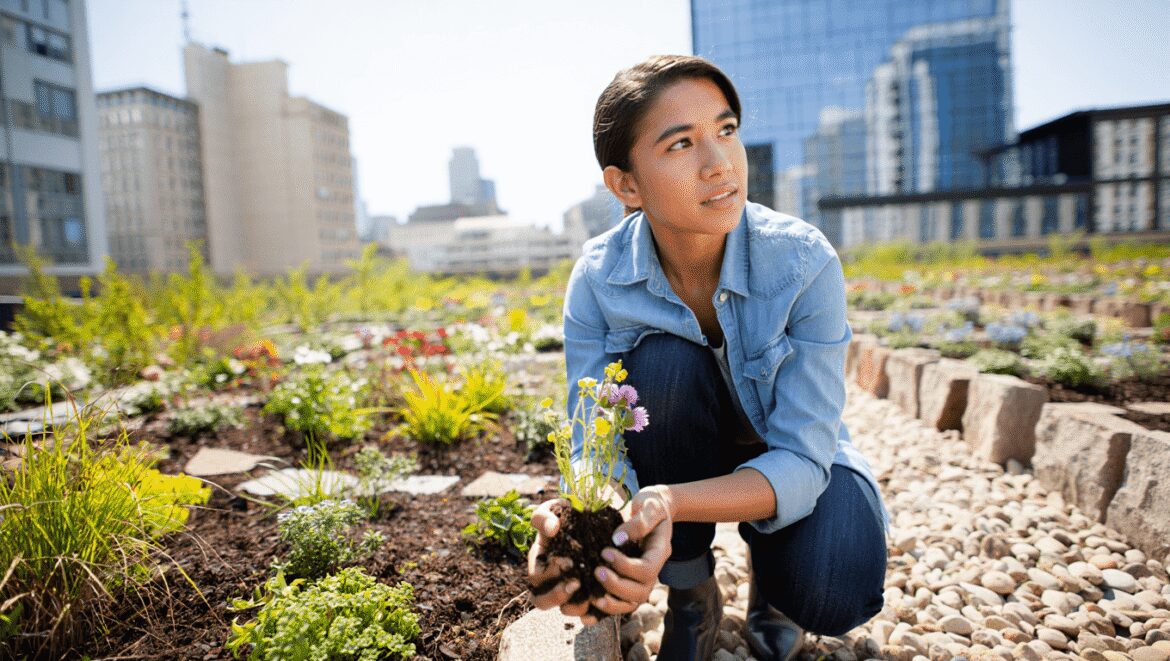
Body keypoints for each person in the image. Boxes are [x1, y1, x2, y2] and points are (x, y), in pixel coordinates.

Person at [527, 55, 888, 661]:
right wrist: (582, 517)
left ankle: (773, 585)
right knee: (660, 365)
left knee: (835, 591)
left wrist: (670, 502)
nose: (720, 164)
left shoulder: (803, 262)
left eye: (725, 131)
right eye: (681, 145)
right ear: (627, 185)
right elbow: (594, 435)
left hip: (787, 455)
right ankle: (692, 593)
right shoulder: (597, 278)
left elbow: (803, 454)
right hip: (679, 434)